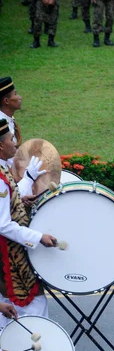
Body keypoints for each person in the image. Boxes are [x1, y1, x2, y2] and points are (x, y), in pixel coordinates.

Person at [0, 120, 58, 332]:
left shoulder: (1, 170)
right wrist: (38, 237)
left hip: (10, 250)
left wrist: (28, 181)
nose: (15, 145)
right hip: (9, 254)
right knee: (31, 303)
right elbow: (3, 224)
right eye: (11, 139)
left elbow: (9, 199)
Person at [0, 78, 23, 146]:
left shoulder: (9, 118)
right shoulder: (2, 125)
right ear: (6, 101)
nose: (20, 97)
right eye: (15, 94)